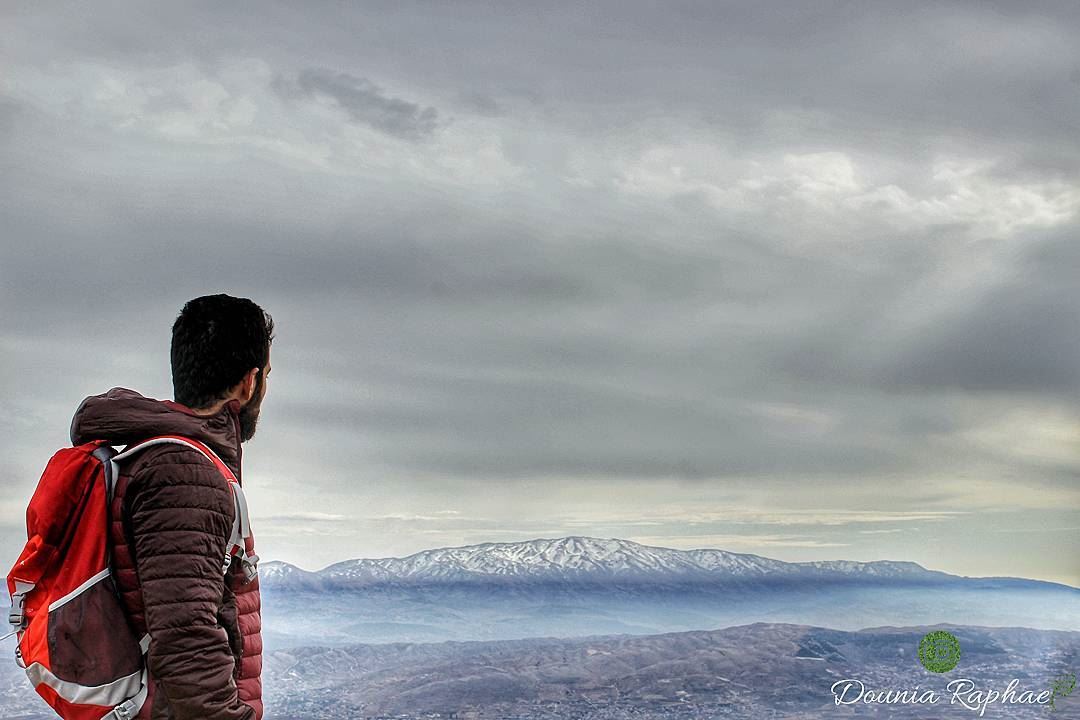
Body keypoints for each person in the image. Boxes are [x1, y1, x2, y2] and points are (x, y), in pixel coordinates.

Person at [69, 294, 273, 720]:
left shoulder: (172, 459)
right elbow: (186, 639)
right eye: (267, 375)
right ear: (249, 382)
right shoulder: (185, 471)